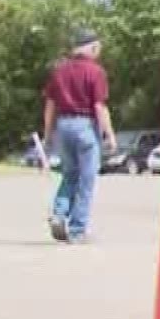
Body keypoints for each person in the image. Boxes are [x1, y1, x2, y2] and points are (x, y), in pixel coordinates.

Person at [42, 29, 117, 244]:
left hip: (63, 125)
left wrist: (48, 134)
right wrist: (109, 134)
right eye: (98, 49)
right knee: (87, 178)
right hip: (85, 126)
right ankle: (77, 230)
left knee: (69, 174)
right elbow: (99, 106)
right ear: (92, 48)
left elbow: (50, 106)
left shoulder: (60, 71)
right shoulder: (95, 72)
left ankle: (59, 213)